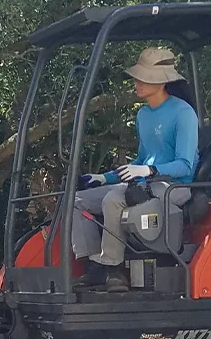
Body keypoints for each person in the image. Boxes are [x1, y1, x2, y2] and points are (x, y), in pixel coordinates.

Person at [71, 47, 200, 291]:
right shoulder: (143, 115)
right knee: (77, 200)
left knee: (114, 199)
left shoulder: (183, 114)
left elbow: (185, 165)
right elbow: (141, 159)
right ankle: (93, 267)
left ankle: (114, 269)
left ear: (161, 82)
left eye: (143, 78)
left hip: (175, 187)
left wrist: (149, 171)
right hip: (146, 182)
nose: (137, 83)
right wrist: (103, 177)